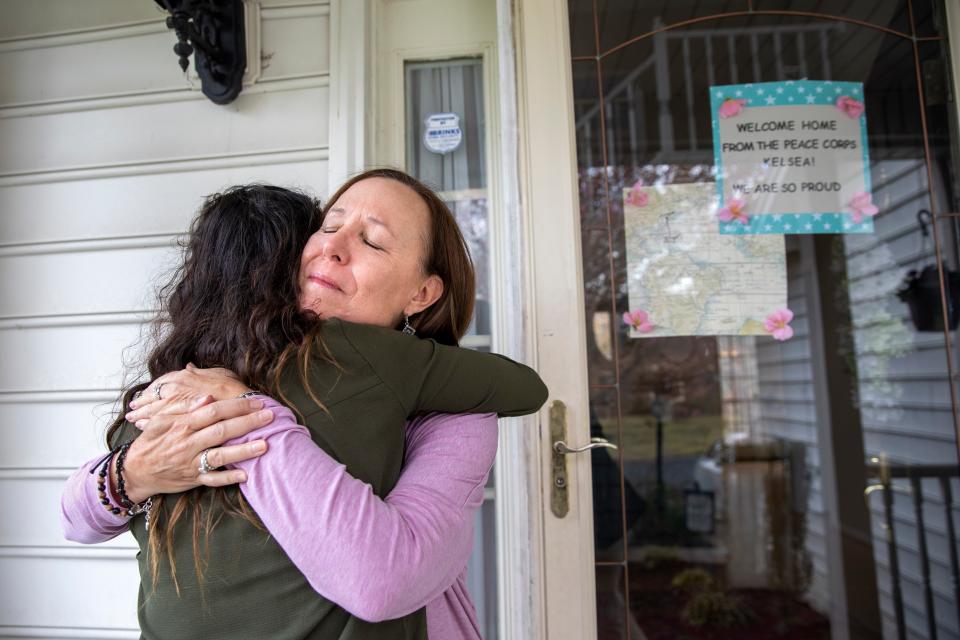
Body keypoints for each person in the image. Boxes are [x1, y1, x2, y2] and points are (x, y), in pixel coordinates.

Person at [61, 172, 547, 639]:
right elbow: (75, 516)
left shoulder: (452, 411)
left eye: (373, 242)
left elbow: (383, 581)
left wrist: (246, 414)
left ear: (422, 293)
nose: (333, 247)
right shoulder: (202, 376)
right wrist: (130, 475)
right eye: (329, 226)